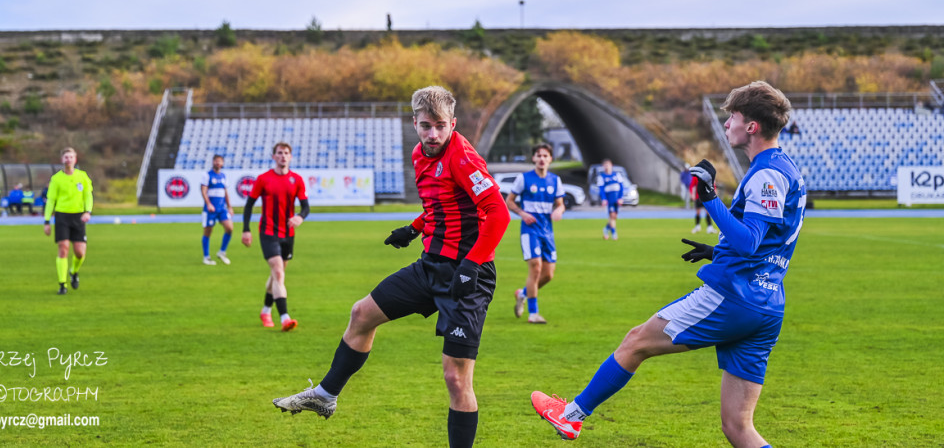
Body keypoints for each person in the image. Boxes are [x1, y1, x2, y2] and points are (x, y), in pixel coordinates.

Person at [531, 80, 805, 447]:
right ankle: (571, 416)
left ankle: (570, 417)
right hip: (768, 305)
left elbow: (751, 242)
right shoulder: (785, 167)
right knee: (739, 428)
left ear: (751, 126)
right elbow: (769, 241)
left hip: (735, 297)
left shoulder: (766, 174)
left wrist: (708, 196)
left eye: (733, 118)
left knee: (634, 343)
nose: (727, 125)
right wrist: (716, 252)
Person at [271, 85, 510, 448]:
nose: (433, 134)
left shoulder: (464, 158)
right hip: (431, 266)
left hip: (468, 275)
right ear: (414, 122)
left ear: (453, 124)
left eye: (441, 126)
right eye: (426, 125)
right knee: (362, 313)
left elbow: (498, 213)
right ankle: (325, 395)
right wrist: (414, 229)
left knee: (456, 378)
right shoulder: (419, 154)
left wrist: (471, 264)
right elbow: (441, 205)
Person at [242, 142, 310, 331]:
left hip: (288, 234)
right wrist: (246, 229)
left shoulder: (296, 180)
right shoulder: (264, 179)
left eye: (286, 153)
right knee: (279, 272)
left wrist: (299, 217)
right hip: (268, 232)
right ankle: (285, 318)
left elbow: (306, 207)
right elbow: (249, 205)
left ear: (290, 157)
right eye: (279, 153)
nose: (283, 156)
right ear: (274, 156)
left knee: (276, 276)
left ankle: (265, 311)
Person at [508, 142, 565, 324]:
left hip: (547, 232)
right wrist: (523, 214)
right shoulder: (524, 179)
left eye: (545, 156)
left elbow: (561, 203)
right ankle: (533, 313)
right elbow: (509, 201)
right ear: (533, 158)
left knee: (548, 275)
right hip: (529, 231)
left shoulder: (555, 181)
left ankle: (522, 294)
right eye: (538, 155)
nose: (541, 159)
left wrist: (559, 210)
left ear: (550, 159)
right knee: (535, 268)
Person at [43, 147, 94, 295]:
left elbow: (88, 196)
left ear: (75, 159)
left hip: (78, 217)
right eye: (66, 157)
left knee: (79, 253)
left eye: (71, 157)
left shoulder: (83, 176)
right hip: (62, 216)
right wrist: (47, 221)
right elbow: (51, 200)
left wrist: (88, 211)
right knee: (63, 247)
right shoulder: (56, 179)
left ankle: (73, 271)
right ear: (62, 160)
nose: (68, 160)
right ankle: (62, 284)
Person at [200, 154, 234, 266]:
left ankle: (222, 252)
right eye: (216, 161)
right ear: (213, 162)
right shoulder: (207, 175)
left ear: (222, 163)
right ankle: (206, 257)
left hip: (222, 208)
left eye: (220, 161)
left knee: (229, 228)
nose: (218, 163)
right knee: (208, 232)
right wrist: (208, 204)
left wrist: (229, 206)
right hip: (210, 209)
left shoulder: (223, 176)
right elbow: (204, 191)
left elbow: (226, 193)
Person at [595, 160, 624, 240]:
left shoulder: (616, 175)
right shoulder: (602, 177)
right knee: (612, 216)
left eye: (608, 165)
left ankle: (606, 229)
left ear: (611, 165)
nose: (607, 167)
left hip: (616, 198)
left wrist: (620, 198)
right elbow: (601, 189)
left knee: (614, 217)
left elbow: (621, 187)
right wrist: (604, 199)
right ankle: (614, 233)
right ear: (603, 167)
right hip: (609, 199)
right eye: (605, 165)